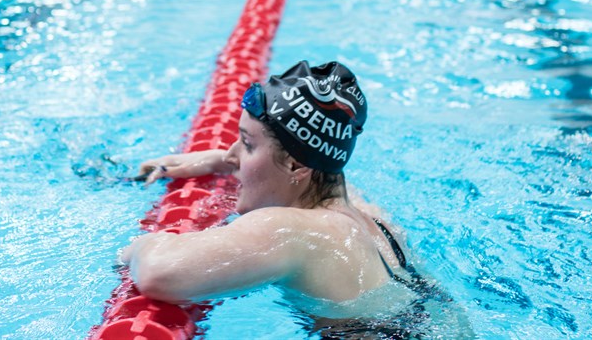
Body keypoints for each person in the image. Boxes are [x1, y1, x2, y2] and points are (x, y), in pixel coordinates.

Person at [122, 61, 472, 336]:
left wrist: (137, 247)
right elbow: (322, 164)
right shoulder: (369, 216)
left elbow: (159, 274)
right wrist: (217, 160)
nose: (232, 156)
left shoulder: (292, 231)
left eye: (246, 143)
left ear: (295, 165)